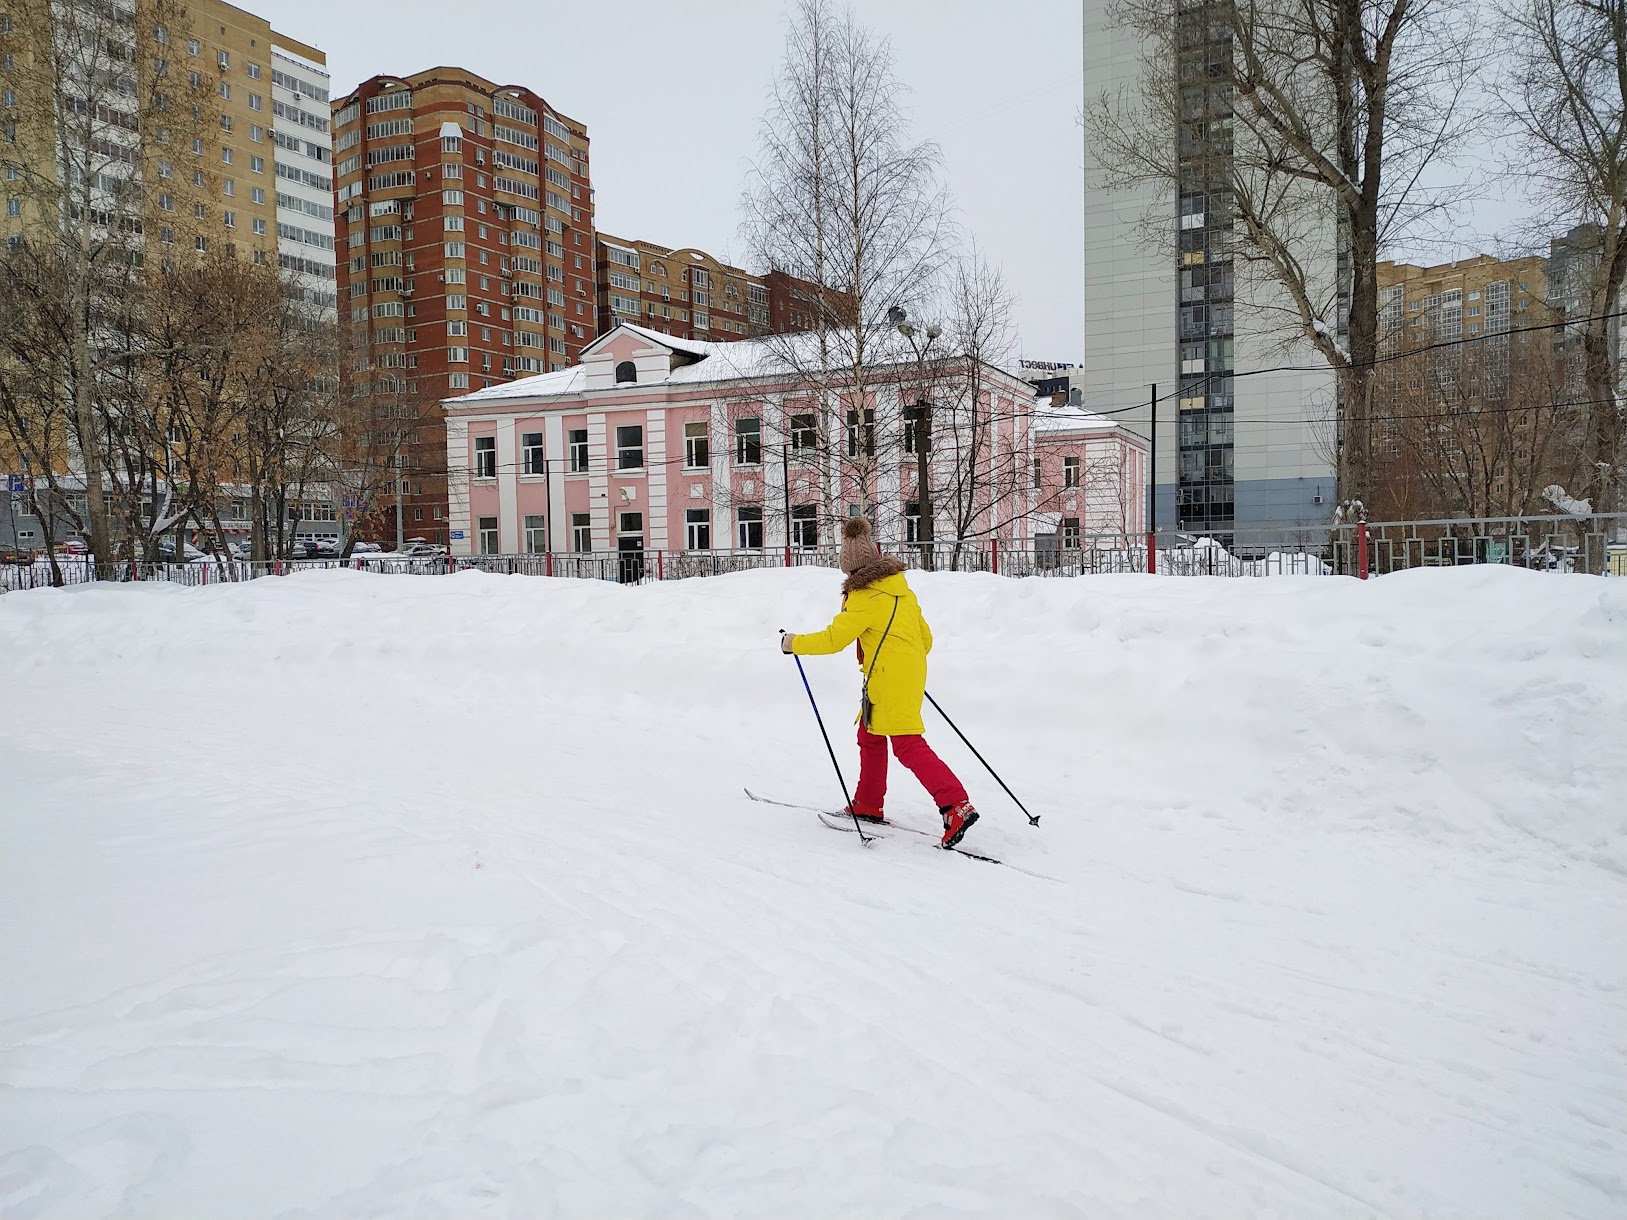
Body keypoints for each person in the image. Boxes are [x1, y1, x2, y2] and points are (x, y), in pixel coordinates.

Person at [781, 517, 979, 848]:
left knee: (907, 744)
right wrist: (902, 662)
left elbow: (833, 640)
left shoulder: (863, 598)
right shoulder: (904, 593)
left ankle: (956, 805)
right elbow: (925, 640)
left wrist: (793, 643)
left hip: (887, 678)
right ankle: (868, 804)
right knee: (869, 734)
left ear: (851, 570)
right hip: (907, 673)